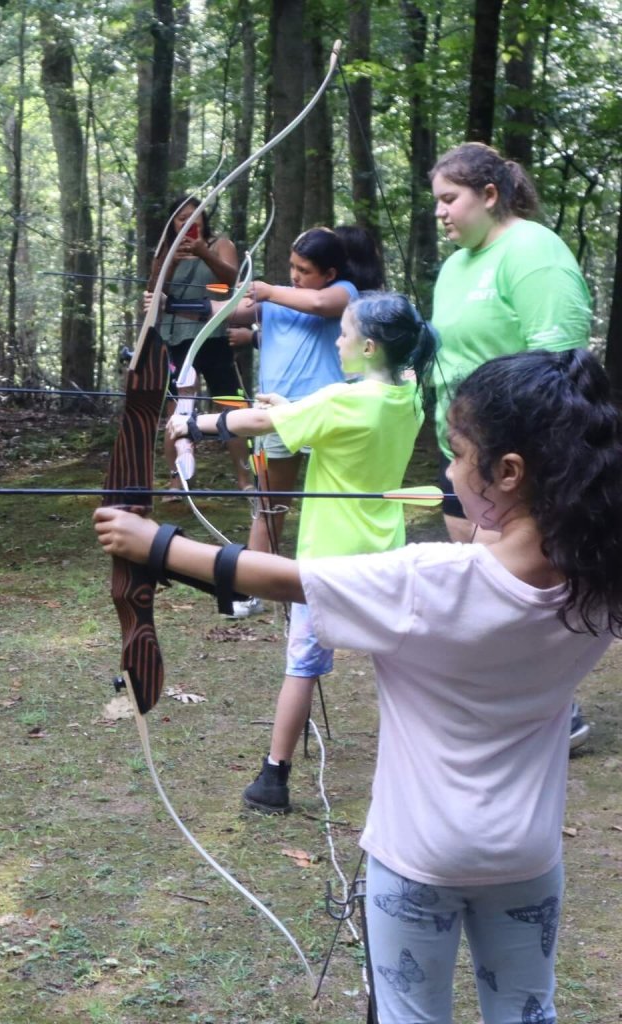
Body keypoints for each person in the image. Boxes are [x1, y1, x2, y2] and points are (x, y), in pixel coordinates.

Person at [95, 347, 622, 1024]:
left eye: (459, 455)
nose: (448, 471)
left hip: (419, 857)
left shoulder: (429, 581)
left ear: (510, 472)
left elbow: (287, 579)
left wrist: (154, 544)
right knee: (527, 1013)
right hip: (527, 855)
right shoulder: (599, 581)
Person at [171, 291, 437, 813]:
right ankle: (428, 761)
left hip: (328, 560)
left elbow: (258, 426)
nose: (337, 341)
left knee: (303, 665)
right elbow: (336, 430)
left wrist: (193, 425)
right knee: (399, 662)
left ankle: (273, 779)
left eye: (344, 333)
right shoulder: (410, 394)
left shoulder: (343, 398)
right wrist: (292, 410)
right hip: (383, 552)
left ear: (368, 347)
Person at [430, 141, 594, 748]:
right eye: (436, 201)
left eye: (450, 199)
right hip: (463, 450)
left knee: (520, 578)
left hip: (515, 457)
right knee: (480, 575)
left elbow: (559, 363)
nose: (440, 212)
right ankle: (503, 695)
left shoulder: (533, 251)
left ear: (490, 194)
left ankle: (554, 708)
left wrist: (516, 454)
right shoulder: (454, 266)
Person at [224, 227, 384, 618]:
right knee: (269, 503)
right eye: (292, 267)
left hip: (329, 411)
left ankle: (352, 583)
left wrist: (267, 291)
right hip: (279, 412)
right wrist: (172, 303)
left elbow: (316, 303)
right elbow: (227, 311)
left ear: (330, 271)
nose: (294, 275)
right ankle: (252, 590)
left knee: (341, 500)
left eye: (304, 269)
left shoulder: (344, 292)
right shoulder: (279, 295)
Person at [149, 196, 250, 496]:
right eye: (181, 218)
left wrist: (204, 253)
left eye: (195, 216)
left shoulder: (220, 245)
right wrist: (170, 263)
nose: (189, 223)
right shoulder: (166, 251)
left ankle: (245, 479)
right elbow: (153, 293)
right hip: (176, 338)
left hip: (214, 335)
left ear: (204, 218)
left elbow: (233, 282)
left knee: (231, 404)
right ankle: (178, 480)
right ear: (172, 224)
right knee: (178, 409)